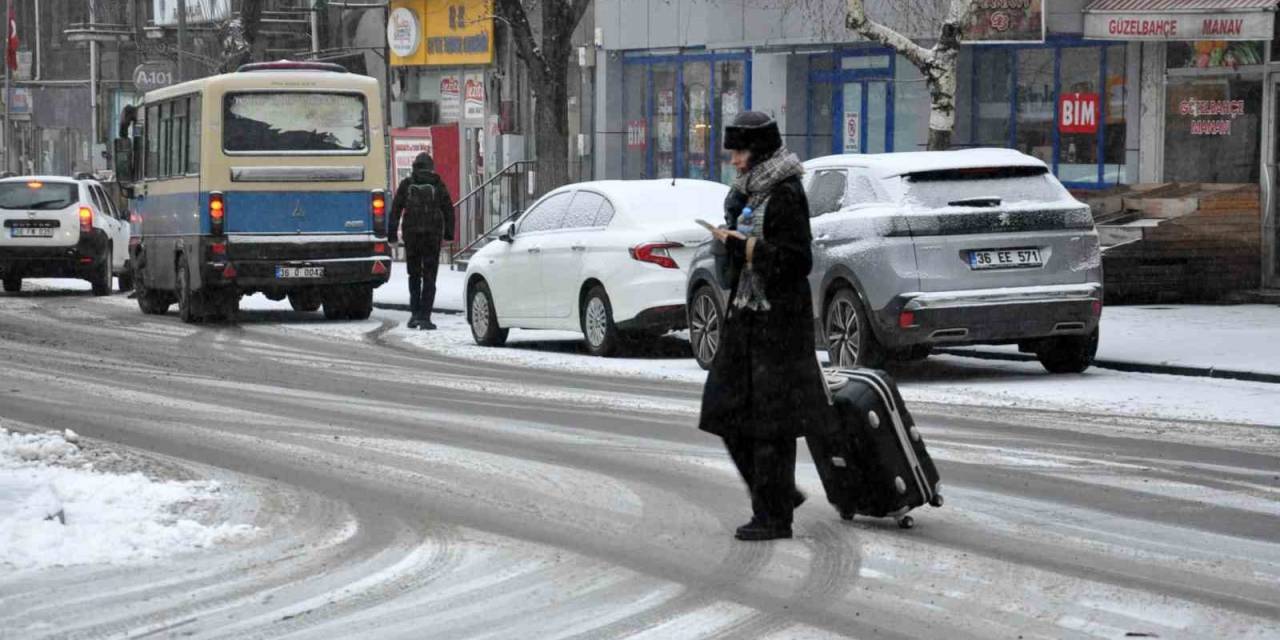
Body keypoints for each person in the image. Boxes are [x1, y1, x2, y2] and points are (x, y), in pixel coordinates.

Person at [699, 111, 831, 541]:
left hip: (778, 324)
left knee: (770, 424)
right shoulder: (747, 193)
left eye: (739, 152)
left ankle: (774, 515)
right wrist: (731, 236)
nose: (734, 161)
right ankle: (774, 492)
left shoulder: (787, 193)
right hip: (746, 314)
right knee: (722, 408)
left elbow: (797, 260)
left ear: (758, 152)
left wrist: (748, 246)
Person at [389, 152, 454, 330]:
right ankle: (425, 316)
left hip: (412, 235)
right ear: (431, 168)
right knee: (430, 277)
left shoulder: (407, 184)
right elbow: (448, 209)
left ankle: (415, 314)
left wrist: (392, 235)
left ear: (415, 167)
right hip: (432, 235)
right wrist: (448, 235)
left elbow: (395, 209)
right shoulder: (438, 184)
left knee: (414, 275)